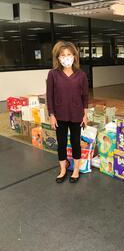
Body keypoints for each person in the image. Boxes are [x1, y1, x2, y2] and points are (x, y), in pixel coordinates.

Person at [46, 41, 89, 184]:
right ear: (58, 58)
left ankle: (76, 169)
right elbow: (49, 96)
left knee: (76, 142)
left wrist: (85, 114)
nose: (66, 58)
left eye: (69, 54)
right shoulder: (53, 74)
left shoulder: (81, 75)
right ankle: (63, 169)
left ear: (74, 56)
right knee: (62, 143)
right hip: (59, 115)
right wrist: (51, 115)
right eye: (62, 55)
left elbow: (85, 97)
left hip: (76, 115)